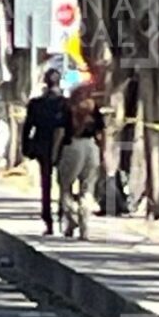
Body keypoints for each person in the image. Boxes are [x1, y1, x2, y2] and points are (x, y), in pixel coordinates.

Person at [21, 68, 70, 235]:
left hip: (43, 145)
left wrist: (26, 147)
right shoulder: (65, 104)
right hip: (63, 146)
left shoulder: (36, 104)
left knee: (46, 185)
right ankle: (64, 217)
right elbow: (69, 127)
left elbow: (27, 127)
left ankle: (48, 221)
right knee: (65, 185)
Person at [58, 86, 103, 239]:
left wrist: (55, 152)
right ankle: (85, 229)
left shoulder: (68, 108)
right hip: (91, 147)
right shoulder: (93, 107)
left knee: (65, 188)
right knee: (87, 188)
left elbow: (61, 131)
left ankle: (72, 218)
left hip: (73, 146)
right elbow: (100, 132)